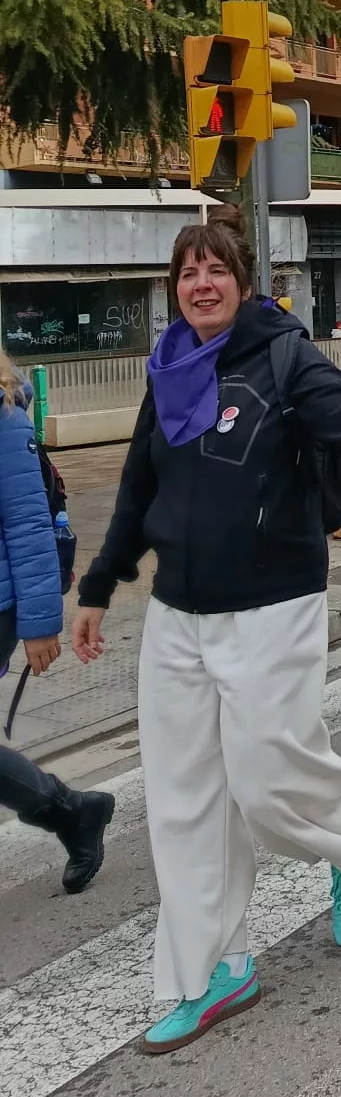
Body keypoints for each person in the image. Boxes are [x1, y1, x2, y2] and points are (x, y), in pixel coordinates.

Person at [71, 210, 341, 1054]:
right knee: (183, 799)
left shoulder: (280, 356)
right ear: (176, 290)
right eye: (187, 273)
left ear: (241, 283)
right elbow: (136, 489)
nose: (201, 284)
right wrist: (97, 588)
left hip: (272, 601)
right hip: (177, 615)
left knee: (269, 779)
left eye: (216, 270)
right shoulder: (167, 373)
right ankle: (214, 973)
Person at [0, 347, 114, 894]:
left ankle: (69, 811)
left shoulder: (4, 417)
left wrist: (40, 622)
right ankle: (72, 811)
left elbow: (27, 525)